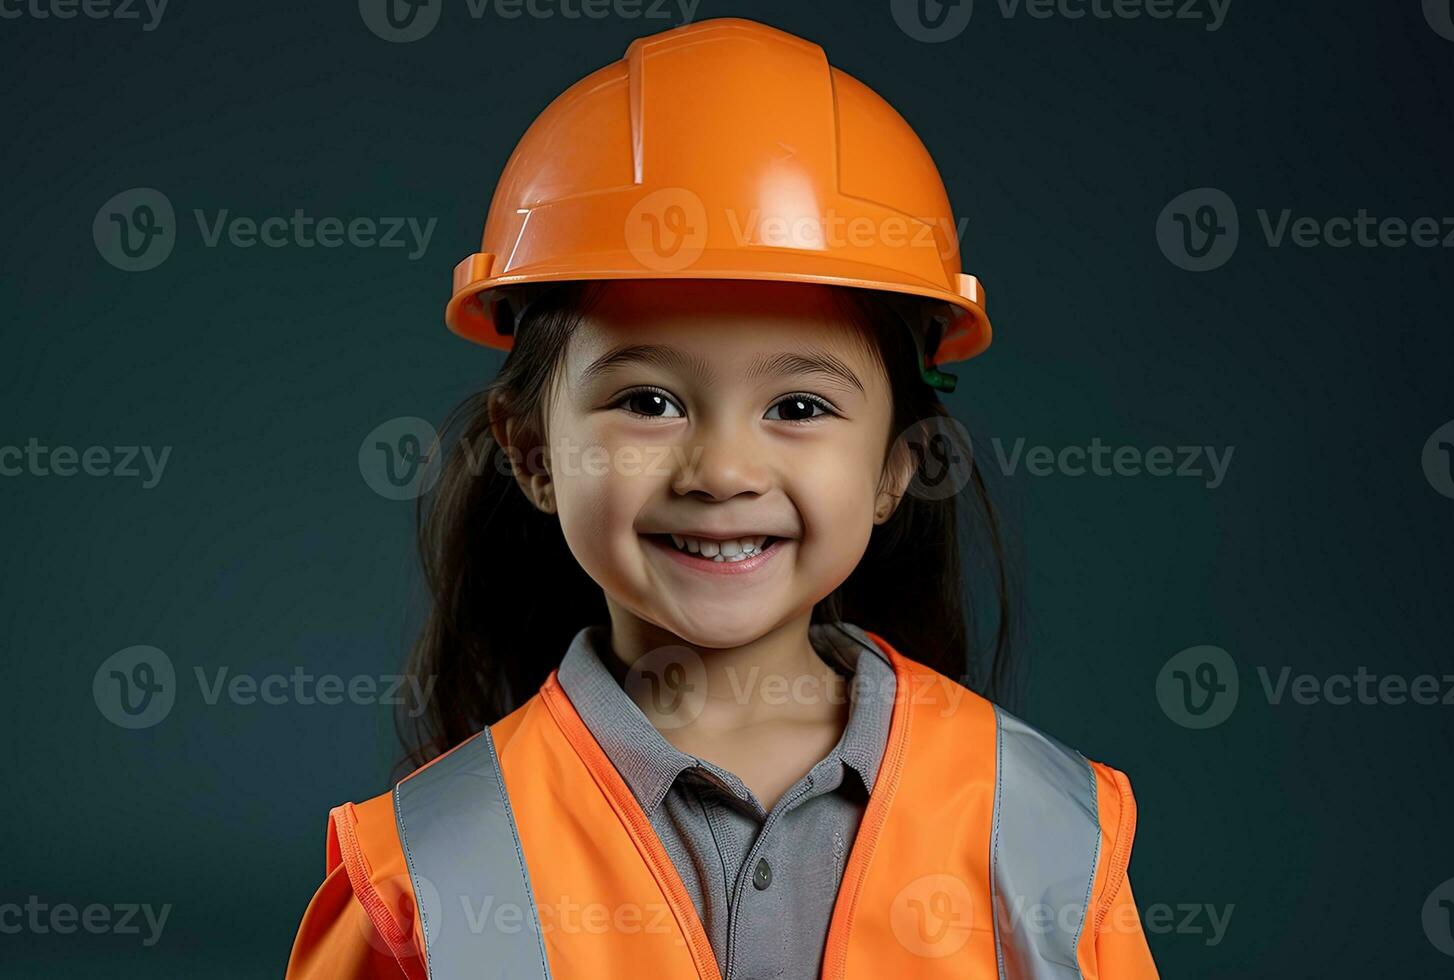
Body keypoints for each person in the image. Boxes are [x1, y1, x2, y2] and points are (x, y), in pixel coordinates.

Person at [286, 17, 1158, 980]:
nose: (721, 469)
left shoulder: (1039, 828)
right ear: (531, 450)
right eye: (647, 400)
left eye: (798, 405)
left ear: (892, 469)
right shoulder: (425, 867)